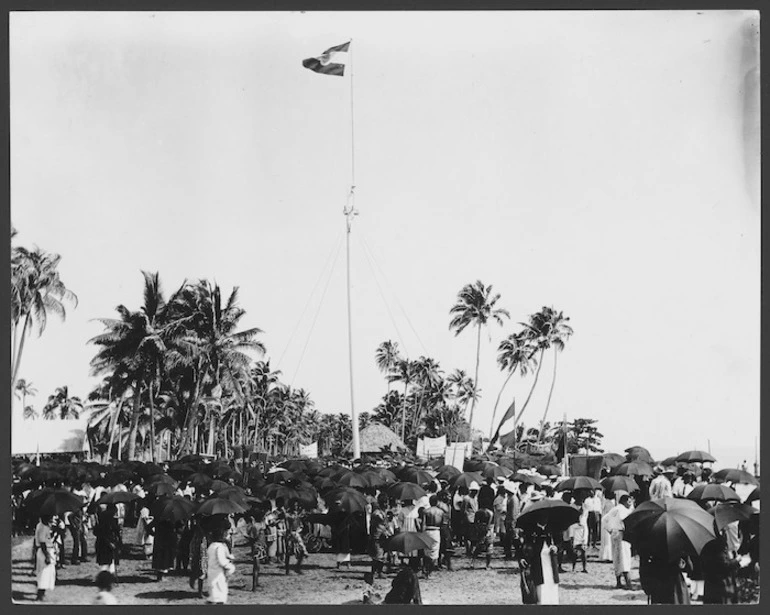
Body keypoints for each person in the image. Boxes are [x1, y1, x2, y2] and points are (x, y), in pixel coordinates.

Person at [518, 522, 560, 604]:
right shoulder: (530, 530)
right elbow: (524, 546)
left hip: (551, 562)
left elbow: (560, 542)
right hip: (537, 563)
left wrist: (556, 547)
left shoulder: (553, 528)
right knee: (540, 587)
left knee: (552, 585)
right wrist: (522, 558)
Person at [701, 531, 740, 604]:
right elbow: (724, 565)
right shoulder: (717, 544)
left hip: (710, 583)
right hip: (720, 584)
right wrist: (736, 560)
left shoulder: (704, 542)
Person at [603, 493, 633, 589]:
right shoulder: (623, 510)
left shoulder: (614, 509)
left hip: (614, 533)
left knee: (616, 557)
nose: (630, 503)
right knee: (624, 557)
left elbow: (604, 519)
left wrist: (610, 530)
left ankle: (618, 582)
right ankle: (628, 583)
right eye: (629, 501)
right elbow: (626, 521)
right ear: (624, 501)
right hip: (622, 533)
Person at [206, 528, 236, 604]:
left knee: (213, 595)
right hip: (218, 575)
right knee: (220, 596)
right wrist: (230, 567)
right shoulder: (220, 547)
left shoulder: (211, 546)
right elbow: (222, 561)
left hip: (211, 573)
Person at [94, 503, 121, 578]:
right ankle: (109, 577)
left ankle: (104, 577)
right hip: (109, 542)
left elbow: (95, 532)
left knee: (104, 562)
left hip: (101, 542)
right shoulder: (111, 519)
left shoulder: (101, 518)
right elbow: (115, 531)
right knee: (110, 560)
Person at [34, 515, 57, 601]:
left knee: (46, 573)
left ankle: (42, 592)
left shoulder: (42, 526)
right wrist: (47, 556)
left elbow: (48, 539)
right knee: (44, 573)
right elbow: (42, 542)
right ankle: (40, 594)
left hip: (47, 550)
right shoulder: (43, 527)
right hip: (44, 551)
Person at [368, 495, 391, 578]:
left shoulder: (383, 512)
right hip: (377, 536)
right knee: (377, 556)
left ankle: (380, 571)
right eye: (386, 503)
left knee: (382, 555)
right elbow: (379, 522)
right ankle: (373, 572)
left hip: (383, 536)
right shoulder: (377, 513)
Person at [421, 495, 444, 576]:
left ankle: (425, 570)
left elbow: (423, 524)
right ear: (437, 502)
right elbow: (442, 524)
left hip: (427, 530)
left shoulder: (426, 511)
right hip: (436, 531)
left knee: (426, 551)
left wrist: (422, 533)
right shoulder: (441, 512)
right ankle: (429, 572)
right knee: (435, 553)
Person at [283, 501, 308, 575]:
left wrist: (300, 530)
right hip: (290, 534)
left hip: (296, 533)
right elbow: (287, 525)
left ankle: (297, 567)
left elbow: (300, 524)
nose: (295, 507)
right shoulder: (288, 515)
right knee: (288, 553)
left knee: (301, 551)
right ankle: (287, 570)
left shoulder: (297, 514)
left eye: (296, 505)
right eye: (294, 505)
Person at [188, 515, 209, 598]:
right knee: (202, 571)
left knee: (200, 570)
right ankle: (199, 592)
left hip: (200, 552)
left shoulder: (197, 530)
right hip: (201, 553)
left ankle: (193, 579)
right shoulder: (200, 531)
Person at [470, 506, 494, 570]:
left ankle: (472, 562)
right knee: (489, 547)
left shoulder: (478, 512)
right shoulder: (490, 513)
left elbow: (475, 523)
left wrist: (478, 529)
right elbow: (489, 524)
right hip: (488, 530)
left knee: (478, 547)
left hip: (480, 530)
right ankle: (487, 565)